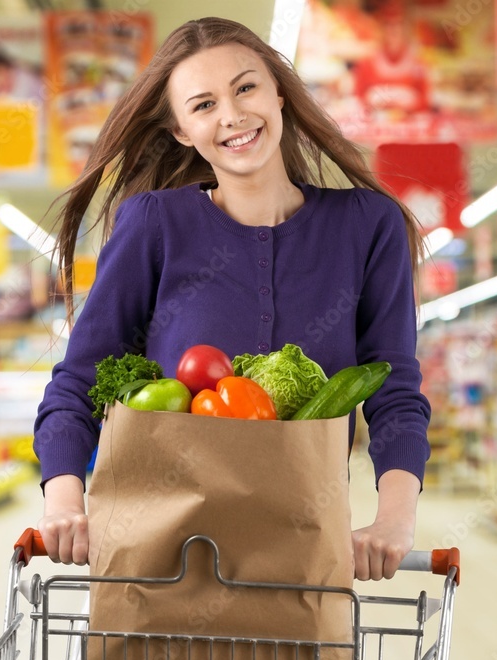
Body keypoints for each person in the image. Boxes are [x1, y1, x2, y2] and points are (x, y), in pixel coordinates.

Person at [33, 17, 431, 583]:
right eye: (203, 104)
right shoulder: (154, 225)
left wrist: (393, 521)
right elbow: (81, 378)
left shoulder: (368, 226)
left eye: (245, 88)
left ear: (279, 95)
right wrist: (64, 503)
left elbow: (394, 390)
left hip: (303, 551)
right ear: (180, 131)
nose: (232, 115)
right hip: (161, 556)